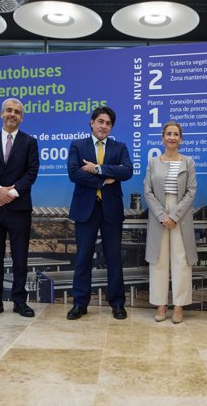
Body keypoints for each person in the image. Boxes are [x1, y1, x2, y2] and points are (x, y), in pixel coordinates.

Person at [66, 106, 133, 320]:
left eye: (108, 123)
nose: (104, 126)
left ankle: (117, 303)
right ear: (92, 123)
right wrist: (105, 180)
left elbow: (127, 171)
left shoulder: (119, 147)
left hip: (111, 211)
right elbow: (74, 173)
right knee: (83, 258)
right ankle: (80, 303)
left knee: (114, 258)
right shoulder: (78, 145)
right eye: (100, 121)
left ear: (111, 127)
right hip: (85, 211)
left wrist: (97, 169)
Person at [0, 98, 39, 319]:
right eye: (9, 111)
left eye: (17, 112)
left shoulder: (30, 143)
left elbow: (31, 173)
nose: (13, 114)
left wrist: (11, 194)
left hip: (19, 208)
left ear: (22, 117)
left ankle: (19, 302)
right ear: (1, 114)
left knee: (20, 257)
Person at [144, 121, 197, 323]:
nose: (172, 137)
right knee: (159, 261)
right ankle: (160, 305)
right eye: (168, 134)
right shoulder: (153, 163)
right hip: (158, 214)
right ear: (163, 137)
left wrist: (174, 215)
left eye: (176, 134)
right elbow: (147, 192)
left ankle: (178, 306)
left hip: (181, 215)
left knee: (181, 261)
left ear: (180, 138)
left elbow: (191, 191)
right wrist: (161, 215)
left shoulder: (188, 162)